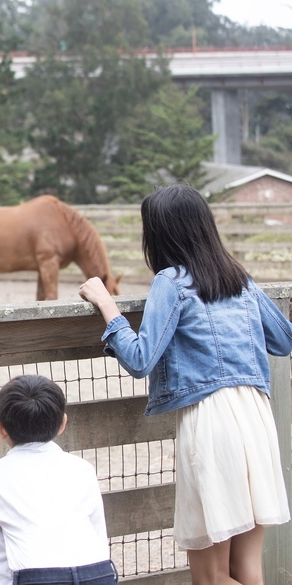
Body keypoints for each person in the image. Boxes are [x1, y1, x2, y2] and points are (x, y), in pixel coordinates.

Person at [79, 184, 292, 585]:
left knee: (209, 578)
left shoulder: (171, 282)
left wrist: (107, 305)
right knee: (247, 571)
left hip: (212, 423)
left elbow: (141, 359)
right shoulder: (240, 280)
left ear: (158, 235)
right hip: (257, 420)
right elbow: (284, 339)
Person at [0, 373, 117, 585]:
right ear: (63, 423)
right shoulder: (82, 469)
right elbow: (97, 533)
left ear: (0, 428)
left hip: (36, 578)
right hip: (96, 573)